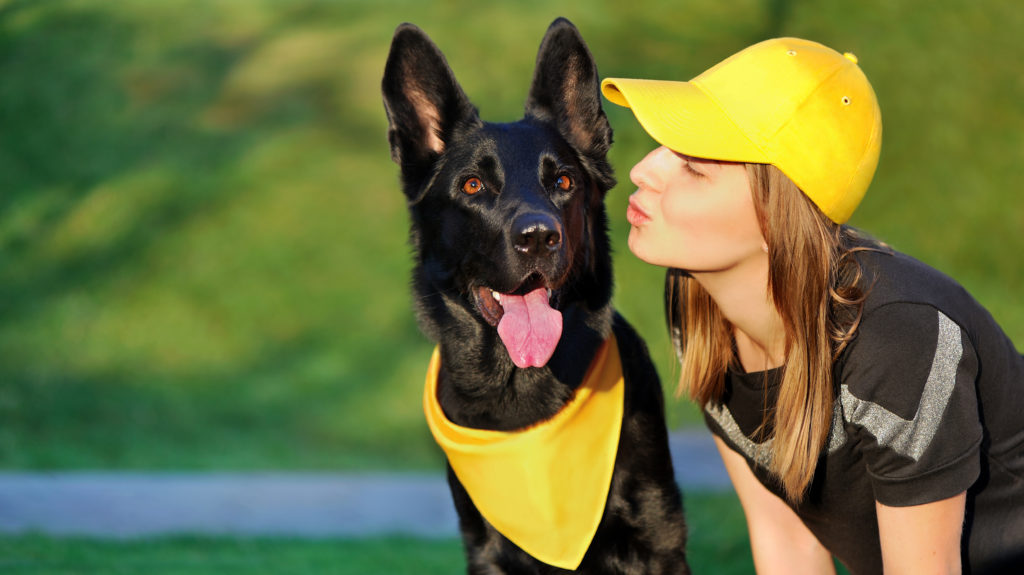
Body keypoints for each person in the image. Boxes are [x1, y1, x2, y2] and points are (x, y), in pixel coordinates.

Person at [601, 37, 1024, 574]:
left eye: (694, 168)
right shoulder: (697, 299)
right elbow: (788, 541)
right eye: (663, 148)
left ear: (775, 219)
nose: (643, 171)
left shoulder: (897, 338)